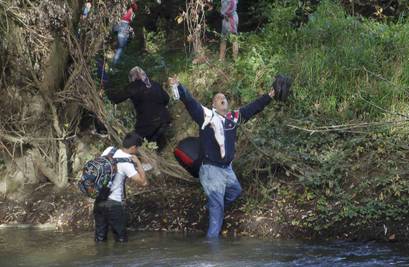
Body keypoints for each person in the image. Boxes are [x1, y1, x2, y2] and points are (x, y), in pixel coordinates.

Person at [169, 76, 276, 238]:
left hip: (226, 169)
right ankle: (212, 251)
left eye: (224, 98)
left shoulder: (233, 118)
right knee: (217, 213)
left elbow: (253, 108)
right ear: (213, 105)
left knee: (235, 191)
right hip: (211, 169)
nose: (222, 99)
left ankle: (214, 208)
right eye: (218, 98)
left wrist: (269, 96)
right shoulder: (206, 116)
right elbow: (190, 102)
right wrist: (179, 86)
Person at [94, 132, 148, 242]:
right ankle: (120, 259)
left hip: (99, 200)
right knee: (121, 240)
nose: (137, 151)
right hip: (114, 203)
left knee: (99, 239)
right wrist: (138, 164)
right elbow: (144, 183)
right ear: (133, 147)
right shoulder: (127, 163)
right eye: (137, 148)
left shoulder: (109, 150)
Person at [106, 66, 171, 150]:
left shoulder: (133, 87)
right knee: (158, 143)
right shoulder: (154, 83)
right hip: (165, 119)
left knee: (133, 144)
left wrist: (106, 90)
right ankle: (158, 153)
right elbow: (167, 99)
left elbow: (116, 99)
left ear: (132, 78)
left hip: (147, 125)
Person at [112, 1, 138, 65]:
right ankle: (115, 63)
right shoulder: (131, 11)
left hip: (118, 24)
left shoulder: (123, 8)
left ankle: (117, 61)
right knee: (121, 46)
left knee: (120, 45)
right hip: (123, 25)